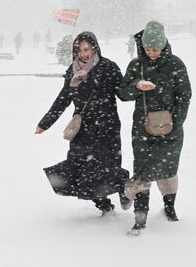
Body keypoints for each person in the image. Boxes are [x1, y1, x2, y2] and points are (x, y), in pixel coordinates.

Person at [36, 32, 129, 215]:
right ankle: (104, 206)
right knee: (80, 169)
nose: (84, 54)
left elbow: (123, 94)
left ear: (95, 47)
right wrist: (45, 123)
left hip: (106, 126)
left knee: (105, 168)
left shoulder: (108, 67)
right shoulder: (72, 71)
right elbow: (63, 98)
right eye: (79, 50)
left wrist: (138, 85)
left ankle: (125, 187)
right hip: (82, 129)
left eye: (87, 49)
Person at [118, 21, 192, 236]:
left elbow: (185, 96)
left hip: (171, 129)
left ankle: (169, 207)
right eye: (148, 49)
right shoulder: (136, 66)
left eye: (156, 49)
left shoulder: (176, 64)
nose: (152, 53)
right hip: (143, 129)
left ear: (164, 46)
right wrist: (136, 86)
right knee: (143, 172)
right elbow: (122, 94)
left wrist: (175, 123)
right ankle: (140, 220)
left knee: (168, 171)